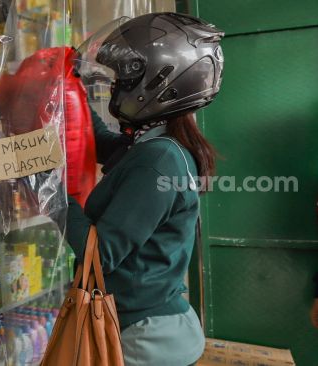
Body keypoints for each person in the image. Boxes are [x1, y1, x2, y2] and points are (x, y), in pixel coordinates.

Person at [66, 13, 224, 365]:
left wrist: (52, 196)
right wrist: (69, 92)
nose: (114, 87)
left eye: (123, 79)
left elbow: (100, 255)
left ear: (158, 84)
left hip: (143, 340)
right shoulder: (158, 144)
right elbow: (106, 145)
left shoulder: (159, 159)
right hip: (154, 326)